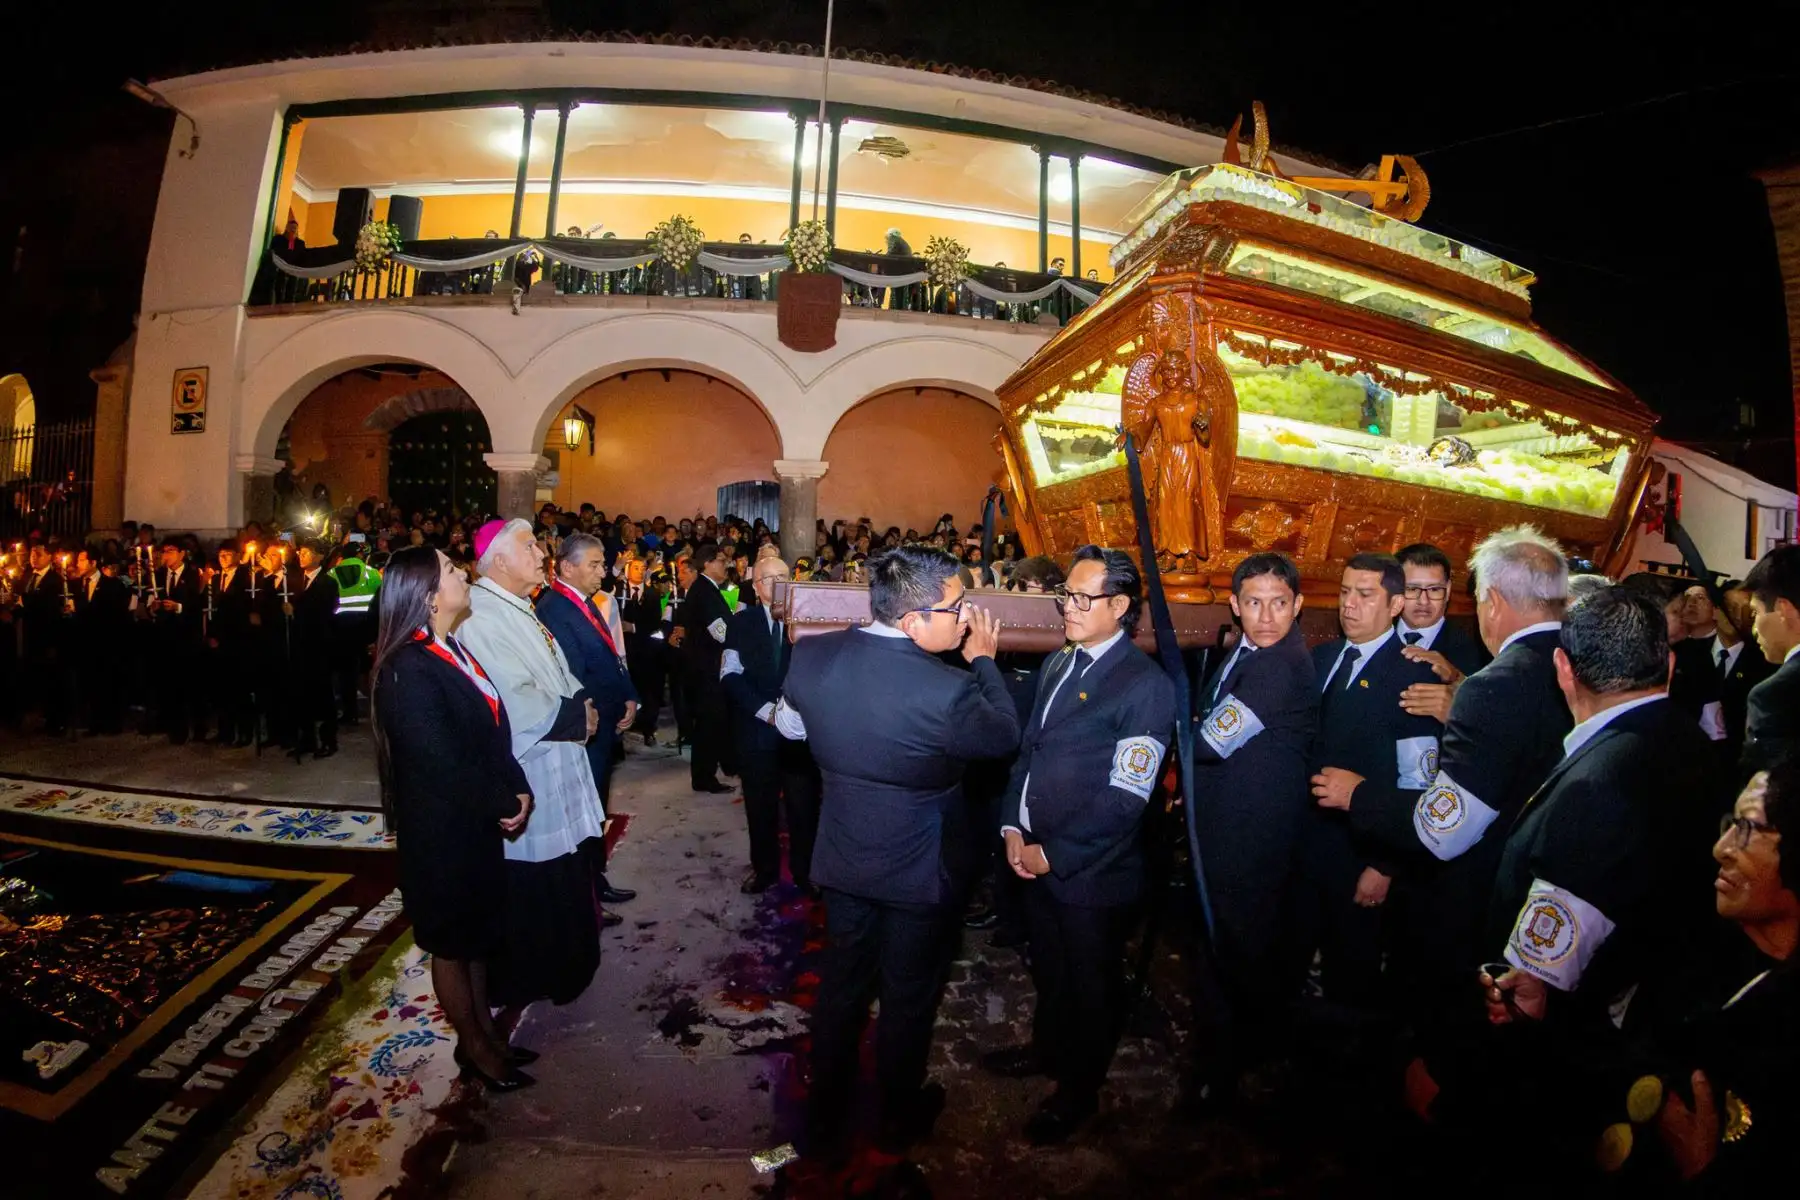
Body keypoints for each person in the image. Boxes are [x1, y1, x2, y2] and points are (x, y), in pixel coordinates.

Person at [776, 545, 1017, 1169]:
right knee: (908, 996)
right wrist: (986, 663)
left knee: (842, 987)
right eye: (957, 607)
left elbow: (793, 729)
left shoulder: (812, 655)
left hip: (845, 850)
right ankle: (895, 1116)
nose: (966, 618)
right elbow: (1003, 736)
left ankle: (826, 1111)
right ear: (913, 621)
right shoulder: (951, 691)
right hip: (921, 861)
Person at [1474, 586, 1726, 1152]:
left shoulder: (1599, 781)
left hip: (1575, 1060)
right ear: (1668, 664)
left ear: (1563, 669)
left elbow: (1538, 979)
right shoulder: (1690, 740)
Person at [1350, 527, 1571, 1104]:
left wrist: (1358, 797)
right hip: (1541, 900)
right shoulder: (1577, 667)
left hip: (1475, 897)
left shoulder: (1492, 683)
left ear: (1489, 601)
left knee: (1450, 1046)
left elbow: (1443, 831)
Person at [984, 546, 1175, 1144]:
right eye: (1065, 594)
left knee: (1090, 987)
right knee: (1051, 970)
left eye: (1081, 598)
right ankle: (1047, 1050)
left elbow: (1126, 799)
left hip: (1091, 872)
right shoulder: (1060, 663)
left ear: (1120, 606)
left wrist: (1057, 854)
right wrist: (1014, 826)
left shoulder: (1145, 686)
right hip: (1036, 854)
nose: (1067, 606)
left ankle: (1078, 1092)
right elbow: (1030, 752)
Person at [370, 545, 536, 1092]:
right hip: (441, 831)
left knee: (478, 935)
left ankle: (488, 1036)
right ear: (426, 594)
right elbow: (439, 760)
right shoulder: (406, 668)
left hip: (473, 823)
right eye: (448, 570)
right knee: (452, 941)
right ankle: (475, 1049)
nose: (461, 573)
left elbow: (490, 731)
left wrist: (516, 786)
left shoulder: (450, 650)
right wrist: (500, 801)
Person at [1186, 552, 1318, 1108]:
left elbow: (1209, 743)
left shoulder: (1278, 665)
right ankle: (1238, 1051)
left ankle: (1222, 1074)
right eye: (1255, 603)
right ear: (1236, 606)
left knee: (1235, 954)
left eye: (1280, 603)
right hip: (1230, 830)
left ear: (1299, 606)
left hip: (1250, 838)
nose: (1267, 617)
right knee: (1227, 950)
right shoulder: (1245, 649)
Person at [458, 519, 604, 1008]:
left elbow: (559, 667)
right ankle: (537, 975)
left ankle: (570, 965)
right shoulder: (479, 614)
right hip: (532, 763)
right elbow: (511, 696)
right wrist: (573, 716)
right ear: (499, 560)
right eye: (530, 546)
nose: (542, 553)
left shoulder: (522, 607)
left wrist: (581, 700)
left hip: (558, 753)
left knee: (565, 863)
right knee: (534, 874)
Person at [1298, 554, 1442, 1012]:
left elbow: (1418, 784)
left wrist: (1385, 866)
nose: (1349, 605)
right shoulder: (1319, 659)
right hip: (1305, 846)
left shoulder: (1414, 675)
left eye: (1364, 595)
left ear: (1395, 604)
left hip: (1361, 853)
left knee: (1350, 974)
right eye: (1344, 593)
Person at [1651, 763, 1800, 1189]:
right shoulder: (1689, 946)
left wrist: (1705, 1173)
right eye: (1730, 824)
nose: (1722, 848)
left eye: (1750, 829)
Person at [535, 533, 638, 923]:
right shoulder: (555, 608)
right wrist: (602, 707)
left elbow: (609, 654)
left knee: (597, 805)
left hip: (604, 719)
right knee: (583, 808)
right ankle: (587, 895)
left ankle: (597, 878)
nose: (602, 571)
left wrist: (628, 694)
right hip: (587, 724)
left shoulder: (583, 602)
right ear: (566, 567)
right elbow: (573, 673)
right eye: (593, 565)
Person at [721, 555, 821, 895]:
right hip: (757, 728)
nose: (778, 584)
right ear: (755, 586)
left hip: (800, 733)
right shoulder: (741, 622)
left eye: (784, 576)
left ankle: (805, 872)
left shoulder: (808, 621)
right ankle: (763, 870)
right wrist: (765, 710)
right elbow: (730, 675)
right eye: (769, 579)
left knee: (803, 807)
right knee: (759, 805)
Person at [677, 541, 735, 793]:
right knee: (709, 724)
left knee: (710, 723)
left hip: (703, 667)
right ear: (708, 563)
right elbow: (719, 630)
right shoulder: (705, 590)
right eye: (721, 561)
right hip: (707, 669)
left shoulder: (704, 588)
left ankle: (707, 773)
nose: (726, 566)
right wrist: (740, 641)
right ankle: (704, 777)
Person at [1740, 544, 1800, 777]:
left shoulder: (1774, 695)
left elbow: (1764, 796)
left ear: (1782, 609)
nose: (1754, 628)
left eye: (1755, 613)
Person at [1394, 542, 1486, 677]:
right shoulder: (1369, 633)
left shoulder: (1479, 649)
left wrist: (1458, 682)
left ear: (1448, 590)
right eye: (1412, 589)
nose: (1424, 601)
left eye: (1434, 589)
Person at [1713, 579, 1773, 768]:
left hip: (1733, 765)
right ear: (1716, 610)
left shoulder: (1764, 664)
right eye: (1731, 607)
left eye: (1746, 609)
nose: (1738, 616)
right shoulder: (1688, 653)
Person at [149, 537, 204, 744]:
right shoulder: (159, 575)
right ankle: (175, 727)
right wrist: (153, 608)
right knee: (169, 685)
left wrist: (178, 607)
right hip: (166, 637)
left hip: (187, 637)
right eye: (164, 551)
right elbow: (152, 599)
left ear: (181, 554)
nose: (166, 555)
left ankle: (199, 727)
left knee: (192, 685)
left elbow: (197, 603)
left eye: (171, 551)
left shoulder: (193, 574)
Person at [289, 538, 339, 758]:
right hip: (300, 645)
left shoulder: (327, 582)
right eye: (300, 552)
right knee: (301, 693)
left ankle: (329, 740)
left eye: (307, 553)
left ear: (319, 556)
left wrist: (296, 612)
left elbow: (323, 613)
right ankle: (306, 738)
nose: (302, 556)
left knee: (323, 694)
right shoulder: (295, 580)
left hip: (319, 645)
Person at [71, 548, 129, 735]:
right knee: (90, 683)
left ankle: (112, 723)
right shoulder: (75, 585)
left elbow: (114, 613)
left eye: (81, 560)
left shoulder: (111, 585)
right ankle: (93, 722)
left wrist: (81, 609)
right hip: (85, 643)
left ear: (93, 563)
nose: (78, 564)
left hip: (106, 643)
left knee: (108, 683)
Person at [204, 541, 254, 746]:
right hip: (219, 641)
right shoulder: (215, 579)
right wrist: (212, 634)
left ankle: (244, 732)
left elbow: (243, 610)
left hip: (239, 640)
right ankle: (225, 731)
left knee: (240, 689)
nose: (223, 558)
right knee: (222, 689)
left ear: (237, 555)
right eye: (221, 554)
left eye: (228, 554)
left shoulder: (246, 578)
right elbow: (210, 608)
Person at [19, 544, 71, 735]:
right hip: (29, 636)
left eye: (39, 554)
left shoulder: (55, 580)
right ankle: (36, 715)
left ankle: (55, 720)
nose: (34, 558)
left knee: (51, 679)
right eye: (32, 554)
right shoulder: (27, 577)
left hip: (47, 636)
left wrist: (25, 602)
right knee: (34, 678)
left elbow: (47, 609)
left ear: (49, 557)